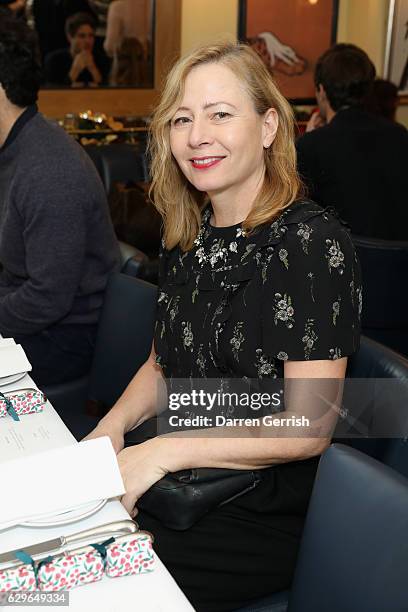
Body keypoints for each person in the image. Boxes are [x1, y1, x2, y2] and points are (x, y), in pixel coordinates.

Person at [85, 42, 361, 611]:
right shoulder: (189, 231)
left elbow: (311, 425)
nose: (196, 135)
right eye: (182, 119)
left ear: (267, 127)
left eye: (219, 114)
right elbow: (162, 362)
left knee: (83, 587)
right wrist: (109, 431)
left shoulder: (309, 243)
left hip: (260, 503)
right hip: (182, 472)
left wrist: (163, 451)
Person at [0, 15, 119, 386]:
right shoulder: (16, 148)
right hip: (31, 313)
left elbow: (47, 299)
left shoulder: (49, 168)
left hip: (66, 336)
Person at [296, 43, 408, 240]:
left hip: (344, 263)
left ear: (321, 91)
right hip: (400, 262)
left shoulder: (311, 146)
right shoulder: (400, 136)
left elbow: (299, 215)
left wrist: (307, 140)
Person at [44, 12, 108, 87]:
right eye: (82, 36)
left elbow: (112, 91)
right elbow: (51, 93)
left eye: (91, 36)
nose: (88, 41)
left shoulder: (102, 59)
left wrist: (93, 69)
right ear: (70, 37)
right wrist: (75, 71)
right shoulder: (54, 60)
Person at [104, 0, 152, 86]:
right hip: (150, 69)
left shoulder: (117, 7)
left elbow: (110, 46)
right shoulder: (157, 6)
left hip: (124, 68)